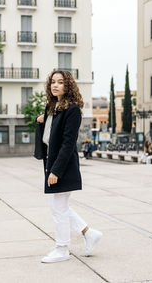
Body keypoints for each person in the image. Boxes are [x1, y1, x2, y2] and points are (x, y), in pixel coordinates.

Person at [37, 70, 103, 263]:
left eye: (60, 82)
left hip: (63, 166)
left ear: (68, 86)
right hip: (52, 163)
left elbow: (68, 143)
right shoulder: (53, 107)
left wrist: (56, 170)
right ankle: (89, 233)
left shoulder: (72, 110)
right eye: (53, 82)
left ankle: (62, 248)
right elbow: (51, 134)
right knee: (59, 207)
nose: (55, 85)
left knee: (58, 208)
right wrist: (41, 119)